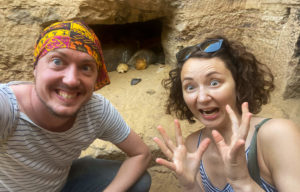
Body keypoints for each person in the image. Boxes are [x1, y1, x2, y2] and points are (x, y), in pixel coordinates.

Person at [0, 20, 151, 192]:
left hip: (61, 185)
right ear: (35, 67)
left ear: (95, 78)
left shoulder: (96, 110)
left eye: (86, 67)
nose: (71, 80)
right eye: (57, 61)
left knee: (139, 182)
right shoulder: (8, 108)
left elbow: (141, 154)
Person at [154, 36, 300, 192]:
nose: (202, 98)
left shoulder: (278, 134)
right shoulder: (193, 145)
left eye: (214, 82)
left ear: (238, 84)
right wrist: (190, 186)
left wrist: (242, 181)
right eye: (190, 87)